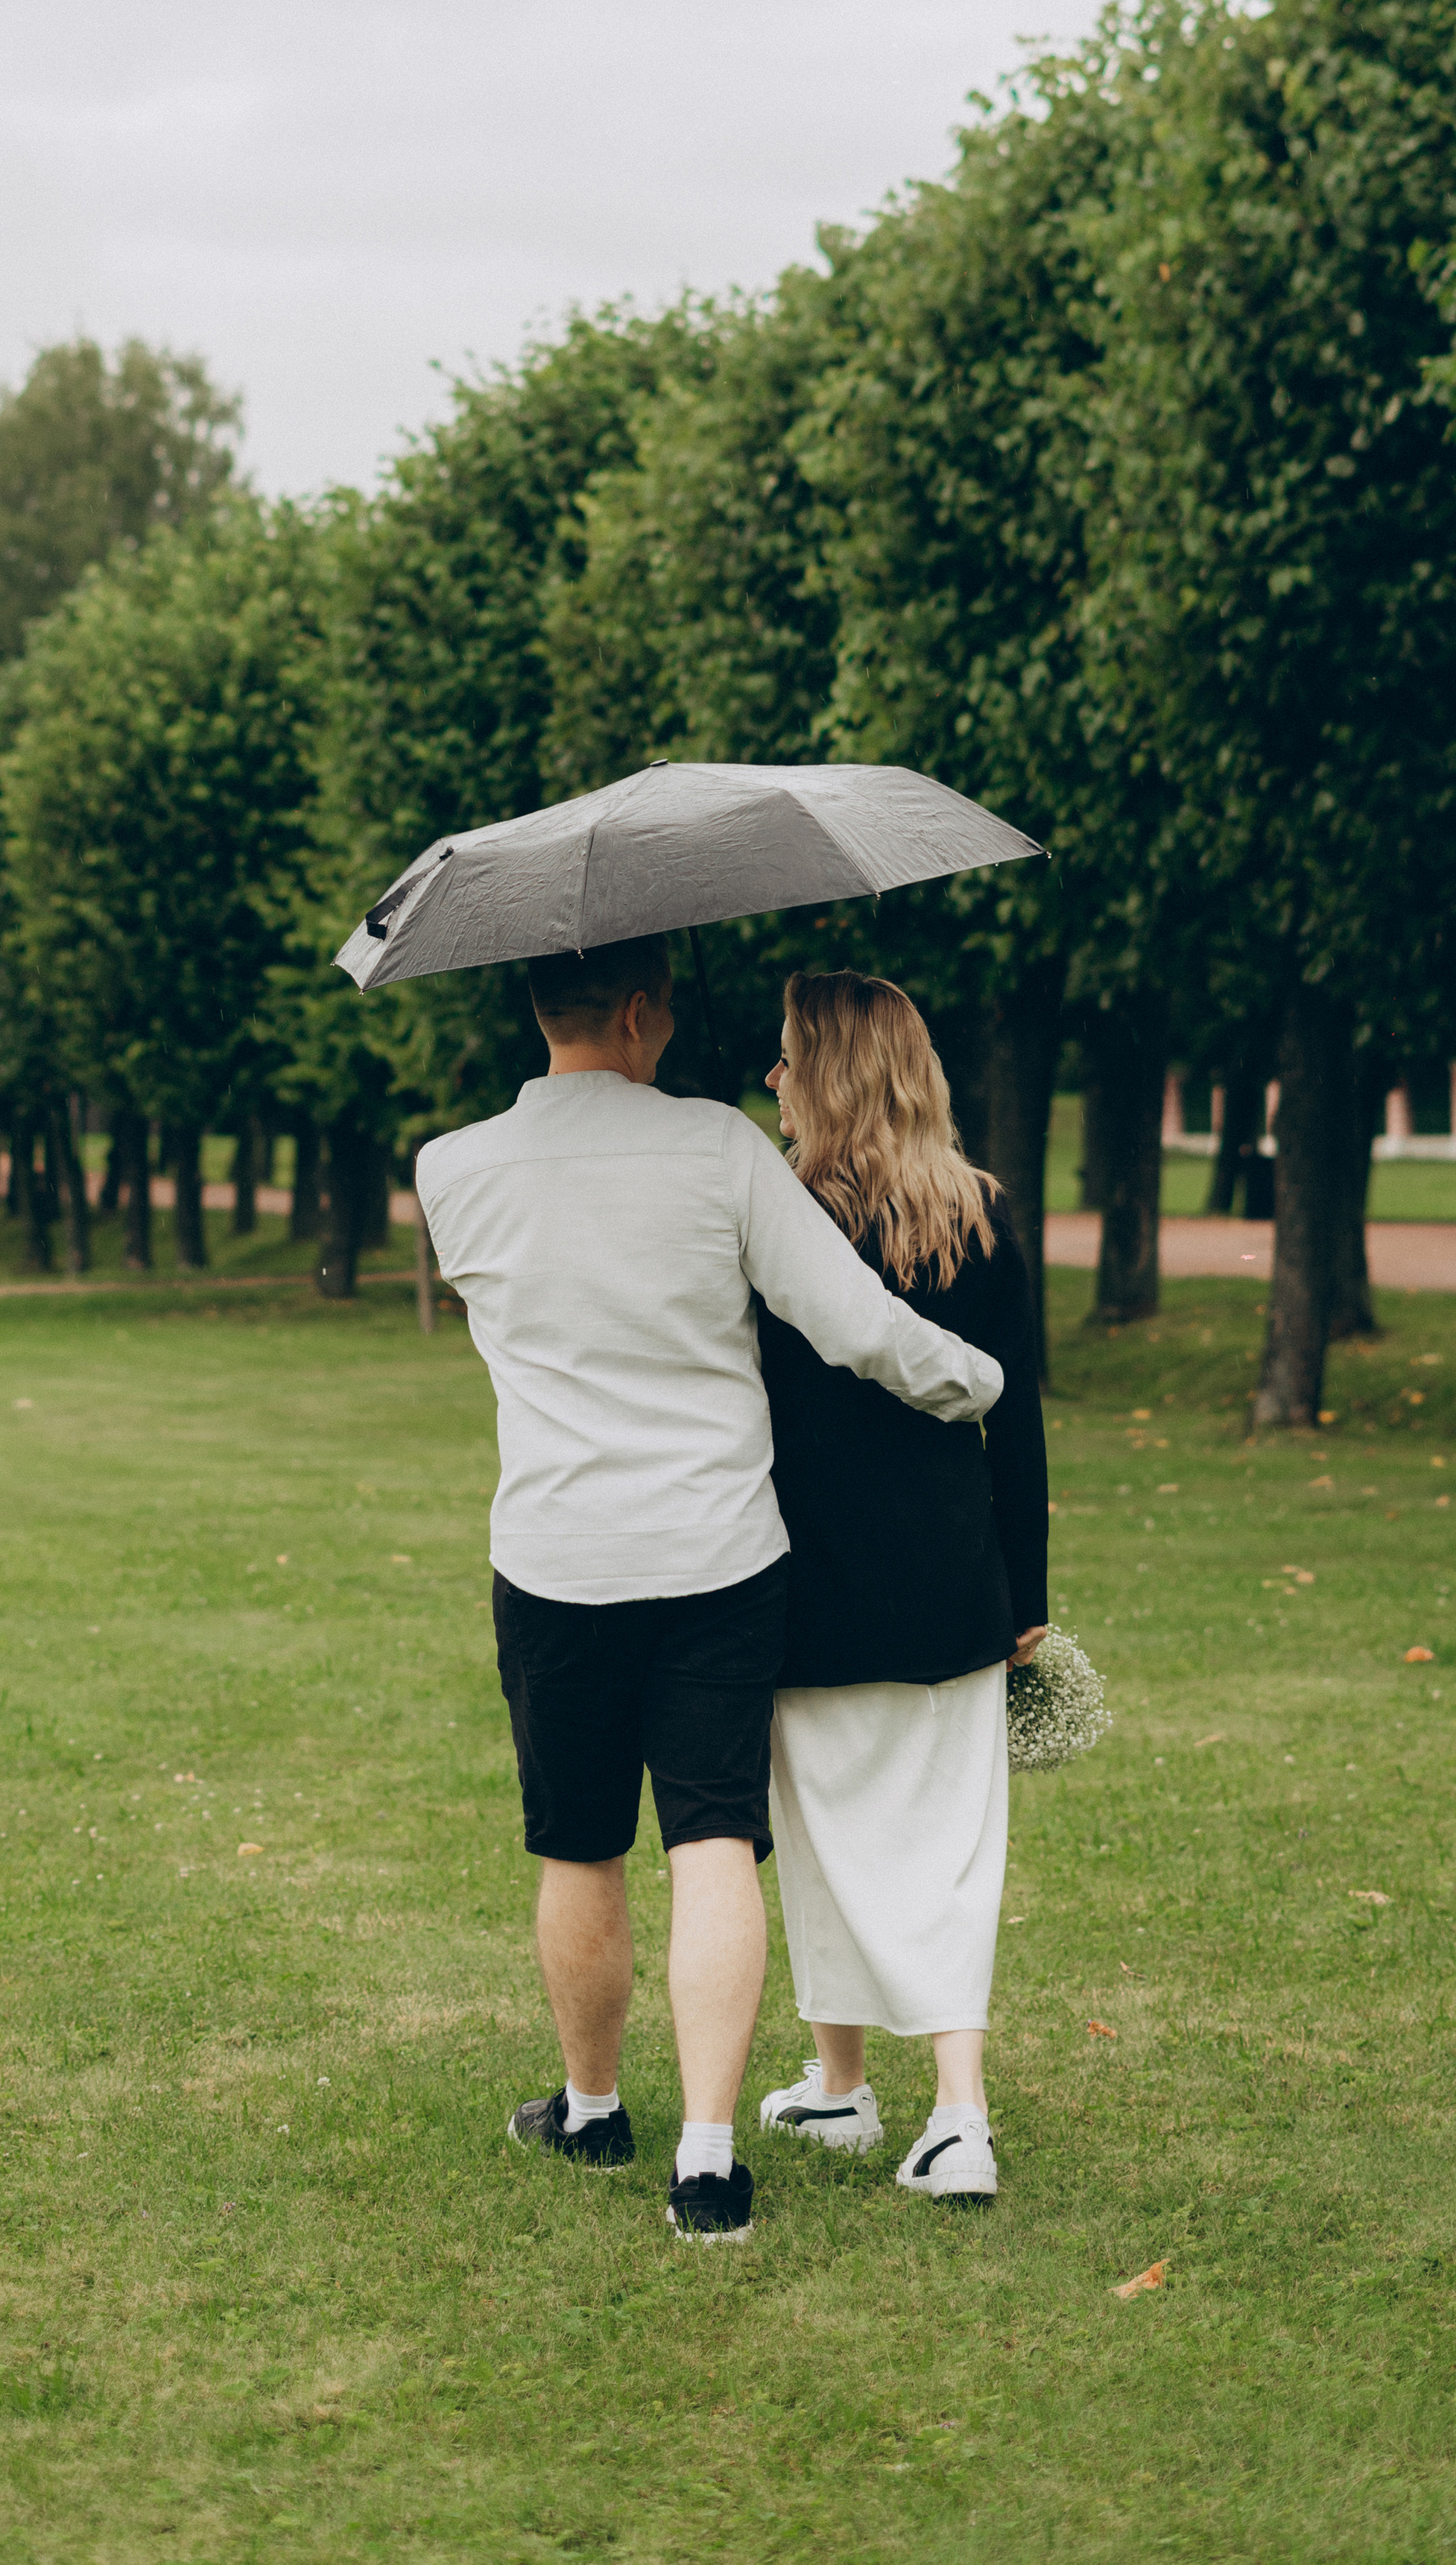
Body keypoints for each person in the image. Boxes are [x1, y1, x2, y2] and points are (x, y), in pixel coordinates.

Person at [414, 934, 1004, 2243]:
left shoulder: (448, 1172)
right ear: (638, 1011)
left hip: (556, 1561)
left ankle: (591, 2106)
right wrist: (980, 1382)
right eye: (667, 1012)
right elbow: (857, 1326)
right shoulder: (722, 1150)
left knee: (577, 1844)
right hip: (717, 1561)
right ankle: (709, 2159)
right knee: (712, 1844)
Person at [750, 970, 1048, 2201]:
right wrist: (1026, 1596)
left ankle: (871, 2094)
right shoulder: (981, 1212)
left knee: (825, 1843)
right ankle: (926, 2110)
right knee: (950, 1851)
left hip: (811, 1585)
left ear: (821, 1072)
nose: (770, 1075)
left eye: (783, 1056)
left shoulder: (775, 1222)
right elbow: (1016, 1425)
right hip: (950, 1583)